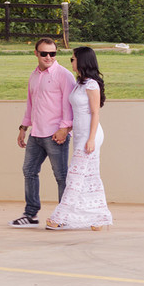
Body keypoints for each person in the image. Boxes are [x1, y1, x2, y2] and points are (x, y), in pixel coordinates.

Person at [11, 37, 75, 227]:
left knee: (61, 176)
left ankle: (64, 216)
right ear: (36, 53)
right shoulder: (34, 75)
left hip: (56, 135)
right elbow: (31, 104)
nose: (49, 57)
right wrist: (23, 127)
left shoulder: (64, 75)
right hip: (36, 134)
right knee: (29, 171)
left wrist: (64, 129)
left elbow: (69, 106)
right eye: (44, 53)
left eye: (52, 53)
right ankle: (31, 215)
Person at [46, 47, 113, 230]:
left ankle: (59, 217)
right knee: (89, 176)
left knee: (75, 177)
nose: (71, 62)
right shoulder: (80, 84)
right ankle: (98, 218)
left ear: (82, 61)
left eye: (73, 59)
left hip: (90, 136)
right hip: (80, 135)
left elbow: (95, 113)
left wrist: (90, 139)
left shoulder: (92, 85)